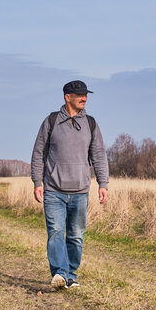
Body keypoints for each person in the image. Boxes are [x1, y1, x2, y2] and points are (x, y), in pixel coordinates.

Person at [31, 80, 109, 289]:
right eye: (80, 95)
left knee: (75, 236)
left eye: (86, 94)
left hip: (80, 191)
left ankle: (71, 274)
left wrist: (103, 183)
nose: (84, 98)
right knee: (55, 232)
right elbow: (38, 154)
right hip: (53, 190)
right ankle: (60, 273)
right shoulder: (51, 121)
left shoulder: (91, 123)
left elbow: (99, 155)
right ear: (68, 97)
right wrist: (37, 181)